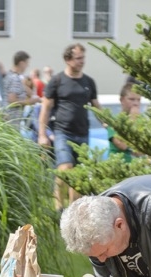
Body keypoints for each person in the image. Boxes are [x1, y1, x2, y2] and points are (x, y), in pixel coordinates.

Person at [39, 43, 100, 211]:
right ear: (67, 59)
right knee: (65, 168)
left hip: (83, 133)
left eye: (83, 58)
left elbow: (96, 106)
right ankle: (58, 206)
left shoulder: (89, 82)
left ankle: (74, 210)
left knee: (78, 175)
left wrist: (108, 124)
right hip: (62, 133)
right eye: (78, 58)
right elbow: (45, 108)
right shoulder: (57, 81)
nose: (82, 61)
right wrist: (42, 134)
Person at [106, 77, 142, 162]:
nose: (136, 103)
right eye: (132, 99)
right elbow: (122, 145)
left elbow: (143, 150)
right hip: (119, 165)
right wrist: (132, 120)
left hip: (138, 167)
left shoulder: (142, 120)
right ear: (122, 100)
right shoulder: (114, 120)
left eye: (138, 100)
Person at [3, 51, 40, 130]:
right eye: (27, 63)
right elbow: (12, 100)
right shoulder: (15, 78)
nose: (28, 65)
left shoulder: (9, 75)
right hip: (12, 121)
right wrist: (30, 101)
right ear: (21, 63)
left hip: (7, 118)